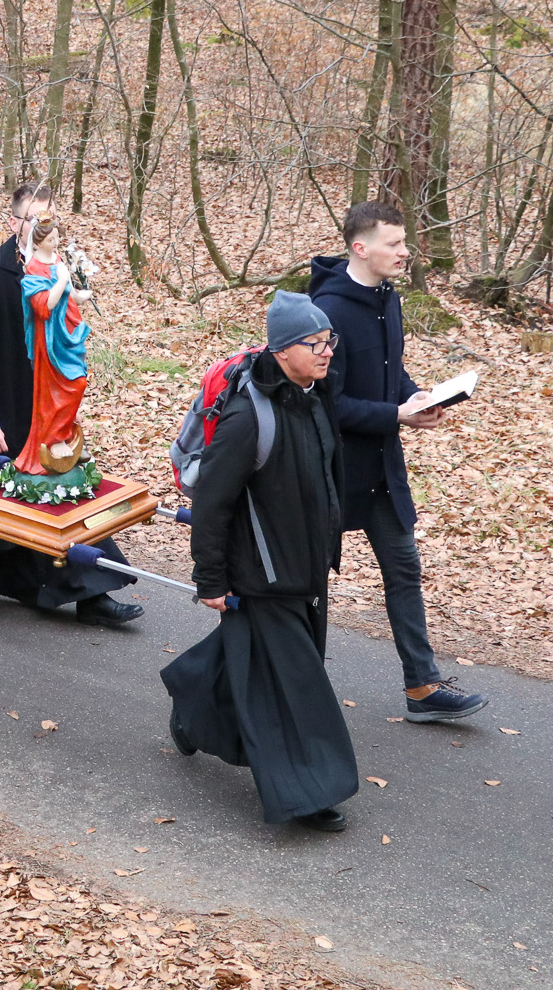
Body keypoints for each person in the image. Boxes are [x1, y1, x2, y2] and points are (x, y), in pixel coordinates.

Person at [162, 292, 358, 832]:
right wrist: (210, 578)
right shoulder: (249, 415)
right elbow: (213, 502)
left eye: (330, 341)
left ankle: (192, 707)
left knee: (251, 661)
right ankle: (309, 791)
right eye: (315, 344)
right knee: (297, 688)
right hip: (262, 574)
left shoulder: (315, 395)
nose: (327, 352)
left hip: (305, 567)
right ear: (283, 350)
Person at [0, 184, 142, 624]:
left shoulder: (60, 265)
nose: (45, 225)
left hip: (43, 401)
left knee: (54, 494)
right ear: (14, 222)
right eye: (35, 217)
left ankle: (92, 593)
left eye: (50, 216)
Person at [309, 201, 485, 724]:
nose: (405, 252)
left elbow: (391, 370)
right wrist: (396, 414)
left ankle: (423, 687)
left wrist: (416, 396)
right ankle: (300, 689)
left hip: (382, 467)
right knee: (308, 584)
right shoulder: (328, 311)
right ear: (360, 248)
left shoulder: (389, 299)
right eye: (395, 243)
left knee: (404, 569)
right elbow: (327, 403)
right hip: (330, 471)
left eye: (404, 242)